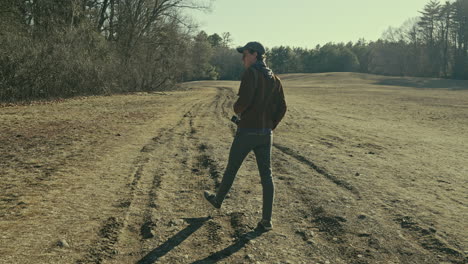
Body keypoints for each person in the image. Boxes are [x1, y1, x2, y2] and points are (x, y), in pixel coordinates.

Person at [204, 41, 287, 232]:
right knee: (267, 176)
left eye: (246, 54)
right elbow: (282, 108)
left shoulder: (251, 73)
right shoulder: (275, 79)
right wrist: (270, 125)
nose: (243, 58)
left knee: (232, 167)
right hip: (266, 134)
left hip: (247, 131)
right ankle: (266, 221)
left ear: (256, 55)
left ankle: (218, 200)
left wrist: (236, 109)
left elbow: (244, 101)